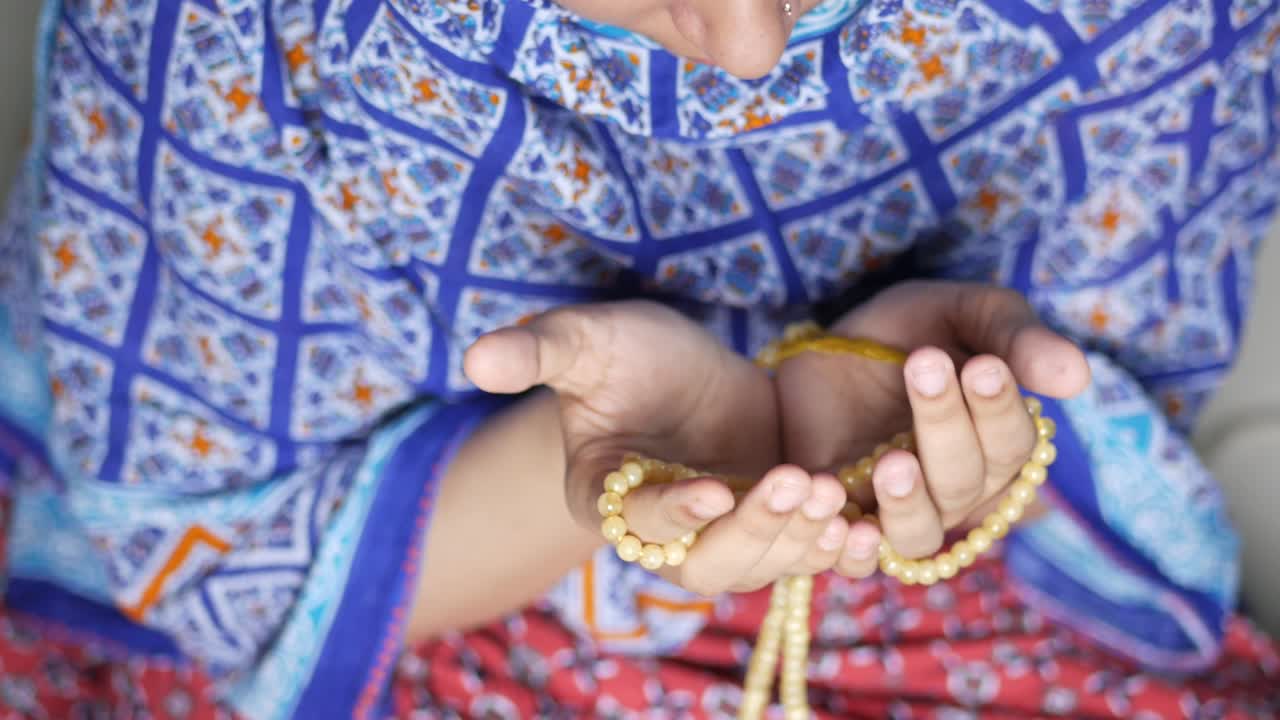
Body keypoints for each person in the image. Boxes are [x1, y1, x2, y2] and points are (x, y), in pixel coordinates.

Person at [0, 0, 1277, 717]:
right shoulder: (220, 27)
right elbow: (230, 558)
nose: (746, 46)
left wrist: (928, 427)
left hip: (957, 608)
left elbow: (1116, 381)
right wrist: (586, 470)